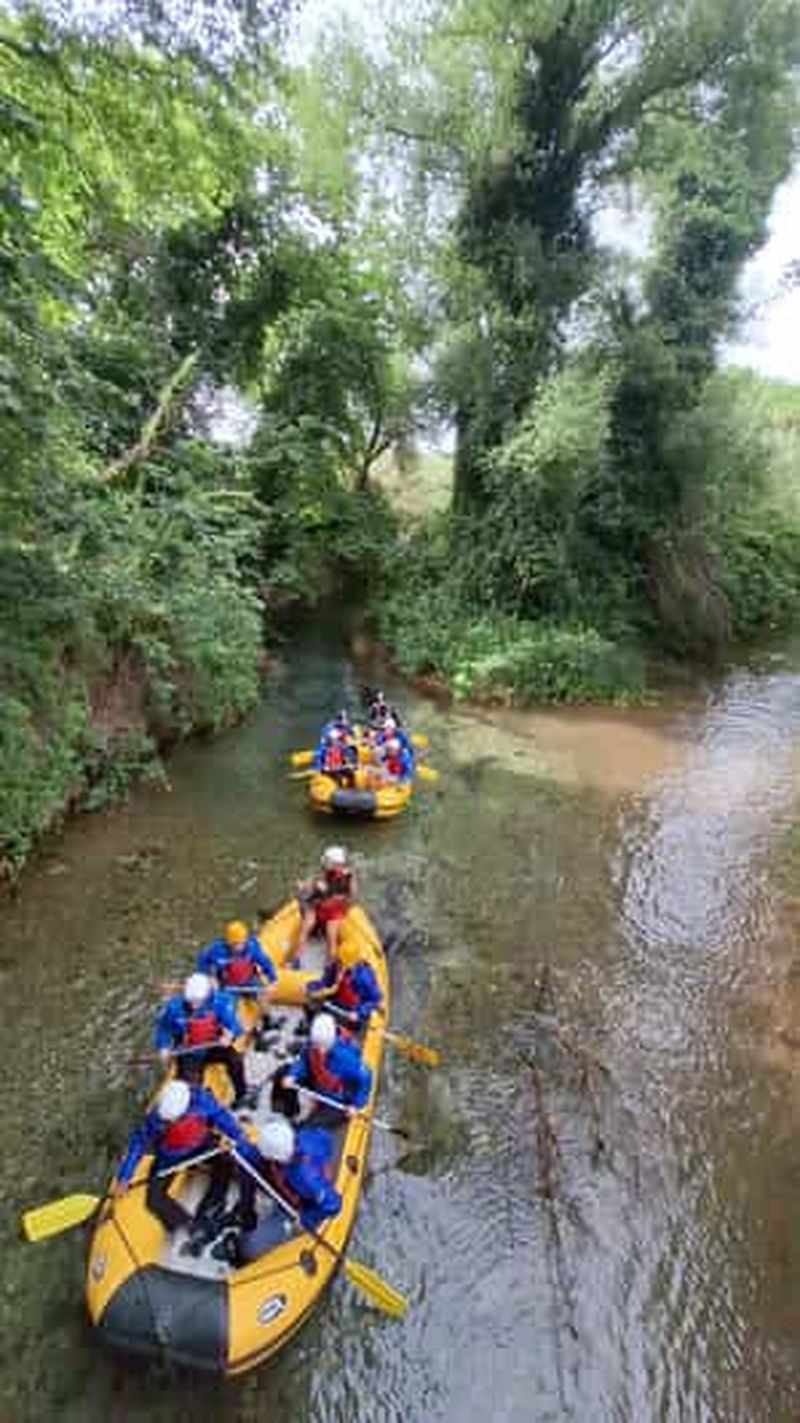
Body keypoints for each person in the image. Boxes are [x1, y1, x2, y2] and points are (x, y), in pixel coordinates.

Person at [113, 1080, 249, 1239]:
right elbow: (137, 1145)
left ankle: (214, 1200)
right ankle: (189, 1225)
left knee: (226, 1161)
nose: (169, 1123)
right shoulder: (155, 1118)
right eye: (167, 1121)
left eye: (172, 1120)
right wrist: (124, 1177)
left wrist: (237, 1137)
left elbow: (222, 1117)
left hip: (201, 1143)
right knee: (154, 1200)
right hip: (171, 1158)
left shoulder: (201, 1100)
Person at [228, 1117, 342, 1262]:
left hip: (296, 1208)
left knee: (249, 1248)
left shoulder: (306, 1178)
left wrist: (305, 1220)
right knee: (245, 1157)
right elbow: (324, 1137)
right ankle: (246, 1212)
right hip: (284, 1179)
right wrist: (238, 1146)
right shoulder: (297, 1138)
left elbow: (334, 1204)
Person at [155, 971, 250, 1107]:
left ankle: (241, 1093)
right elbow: (163, 1029)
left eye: (198, 1001)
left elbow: (234, 1025)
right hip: (188, 1051)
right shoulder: (173, 1007)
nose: (195, 1005)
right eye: (191, 1001)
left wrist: (229, 1035)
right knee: (190, 1085)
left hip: (214, 1045)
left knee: (236, 1060)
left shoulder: (219, 1003)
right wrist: (163, 1046)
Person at [273, 1011, 372, 1127]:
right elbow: (304, 1059)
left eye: (322, 1047)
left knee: (310, 1127)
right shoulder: (314, 1042)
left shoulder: (346, 1057)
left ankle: (305, 1127)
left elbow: (366, 1076)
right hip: (318, 1083)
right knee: (283, 1072)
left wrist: (356, 1105)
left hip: (337, 1100)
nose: (319, 1050)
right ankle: (291, 1112)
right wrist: (293, 1074)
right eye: (317, 1046)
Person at [305, 936, 383, 1028]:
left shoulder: (364, 976)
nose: (339, 964)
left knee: (352, 1027)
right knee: (310, 1007)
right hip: (335, 1003)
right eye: (339, 961)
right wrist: (313, 987)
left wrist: (359, 1012)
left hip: (352, 1011)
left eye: (342, 962)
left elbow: (375, 999)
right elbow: (325, 982)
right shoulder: (335, 967)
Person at [295, 846, 358, 959]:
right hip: (324, 909)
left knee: (328, 935)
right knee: (313, 929)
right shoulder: (340, 874)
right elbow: (352, 895)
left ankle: (327, 965)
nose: (324, 864)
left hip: (331, 911)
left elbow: (351, 896)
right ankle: (298, 959)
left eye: (327, 861)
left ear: (335, 863)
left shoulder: (343, 876)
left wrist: (305, 887)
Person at [196, 919, 277, 998]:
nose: (238, 947)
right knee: (214, 994)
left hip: (249, 982)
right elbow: (202, 959)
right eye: (234, 944)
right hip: (225, 983)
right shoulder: (217, 949)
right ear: (228, 942)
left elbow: (265, 963)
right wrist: (209, 977)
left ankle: (264, 1011)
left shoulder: (252, 948)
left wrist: (272, 981)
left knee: (263, 996)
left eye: (240, 943)